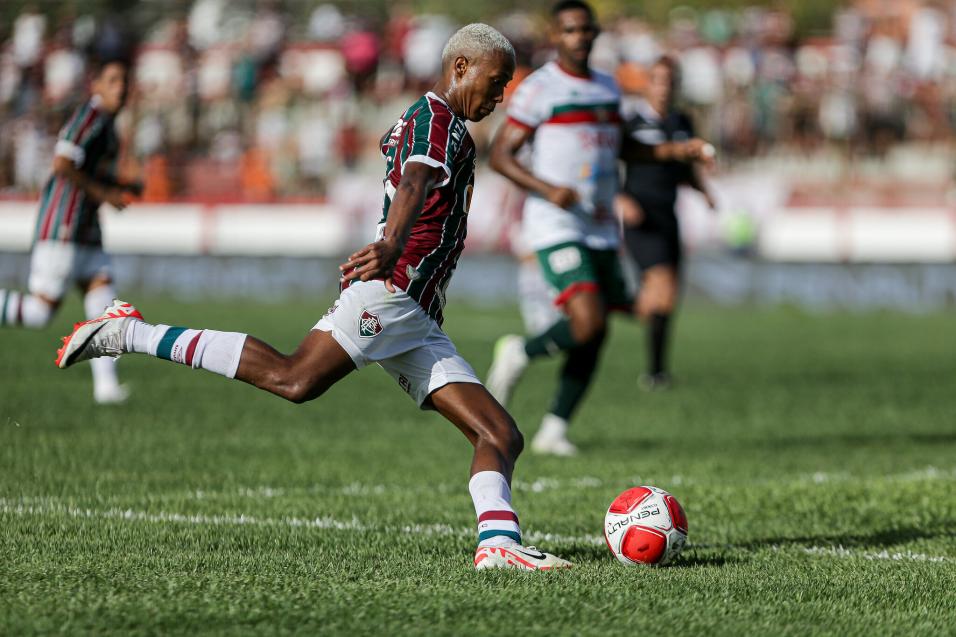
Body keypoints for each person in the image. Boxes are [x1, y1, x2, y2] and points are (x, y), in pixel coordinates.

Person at [54, 24, 570, 572]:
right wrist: (392, 244)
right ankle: (130, 332)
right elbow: (416, 178)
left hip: (415, 313)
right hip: (390, 295)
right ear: (461, 67)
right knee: (293, 377)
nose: (499, 96)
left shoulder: (428, 118)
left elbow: (400, 156)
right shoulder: (438, 119)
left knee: (499, 433)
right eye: (495, 82)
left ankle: (498, 545)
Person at [486, 0, 632, 456]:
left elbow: (624, 148)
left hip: (602, 224)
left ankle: (554, 429)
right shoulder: (540, 89)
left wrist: (675, 153)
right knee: (586, 321)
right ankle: (519, 352)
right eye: (570, 30)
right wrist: (549, 190)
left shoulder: (608, 87)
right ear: (556, 35)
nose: (580, 37)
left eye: (587, 29)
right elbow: (500, 156)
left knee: (598, 329)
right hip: (555, 222)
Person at [0, 59, 140, 404]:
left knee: (106, 307)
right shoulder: (89, 117)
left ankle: (106, 388)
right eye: (112, 80)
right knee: (38, 312)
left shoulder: (107, 125)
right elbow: (63, 164)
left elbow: (89, 170)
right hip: (63, 226)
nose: (120, 87)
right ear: (97, 86)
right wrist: (105, 193)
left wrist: (121, 184)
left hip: (87, 232)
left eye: (124, 80)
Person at [617, 56, 716, 390]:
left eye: (670, 81)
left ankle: (656, 372)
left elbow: (685, 166)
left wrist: (703, 190)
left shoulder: (682, 121)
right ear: (647, 83)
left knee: (665, 300)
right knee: (663, 286)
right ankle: (603, 305)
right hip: (640, 216)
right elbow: (608, 163)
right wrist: (621, 199)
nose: (664, 87)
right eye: (658, 80)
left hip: (667, 216)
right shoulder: (631, 123)